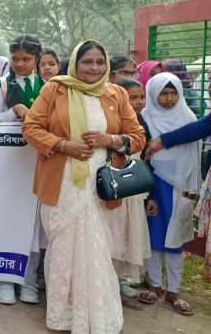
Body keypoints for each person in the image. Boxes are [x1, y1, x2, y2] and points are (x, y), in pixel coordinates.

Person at [22, 40, 145, 333]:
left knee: (97, 247)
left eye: (100, 62)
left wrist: (110, 140)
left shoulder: (116, 93)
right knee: (65, 246)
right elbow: (31, 128)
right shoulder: (54, 89)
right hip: (62, 181)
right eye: (87, 61)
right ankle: (64, 314)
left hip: (101, 183)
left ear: (107, 66)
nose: (94, 68)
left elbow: (137, 136)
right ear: (75, 63)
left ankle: (97, 313)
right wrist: (64, 145)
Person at [140, 73, 201, 316]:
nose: (169, 98)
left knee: (177, 238)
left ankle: (174, 290)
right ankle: (154, 285)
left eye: (174, 93)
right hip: (154, 184)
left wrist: (192, 189)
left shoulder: (188, 118)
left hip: (181, 186)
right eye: (163, 93)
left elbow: (194, 158)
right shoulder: (145, 118)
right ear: (152, 94)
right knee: (154, 235)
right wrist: (149, 194)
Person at [107, 78, 157, 310]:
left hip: (134, 191)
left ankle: (121, 280)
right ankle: (108, 282)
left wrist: (151, 195)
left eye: (141, 97)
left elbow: (146, 159)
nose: (138, 102)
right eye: (132, 98)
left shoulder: (140, 122)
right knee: (111, 234)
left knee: (127, 233)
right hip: (113, 188)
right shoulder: (110, 120)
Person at [0, 35, 46, 124]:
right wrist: (14, 111)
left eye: (26, 59)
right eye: (15, 59)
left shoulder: (46, 86)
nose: (19, 64)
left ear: (37, 59)